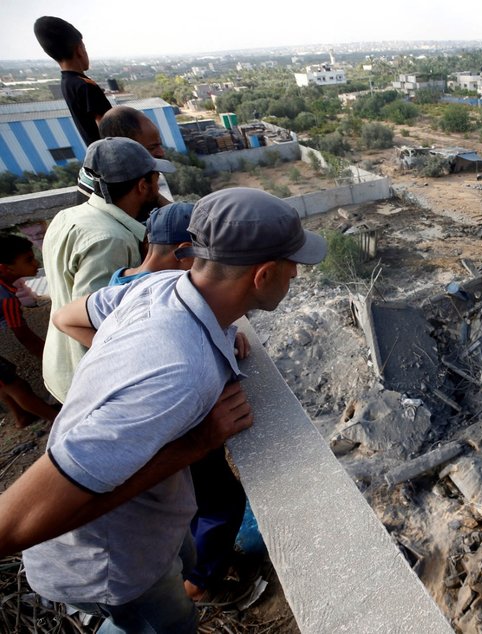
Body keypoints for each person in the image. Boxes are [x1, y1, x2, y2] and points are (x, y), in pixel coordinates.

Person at [0, 188, 326, 632]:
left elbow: (68, 316)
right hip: (111, 566)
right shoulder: (175, 374)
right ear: (263, 275)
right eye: (292, 266)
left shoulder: (159, 286)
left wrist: (208, 336)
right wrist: (196, 442)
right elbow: (12, 526)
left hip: (150, 530)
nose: (294, 273)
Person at [107, 201, 249, 601]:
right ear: (184, 252)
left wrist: (227, 330)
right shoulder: (157, 297)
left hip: (168, 432)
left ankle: (190, 566)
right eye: (206, 260)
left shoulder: (119, 284)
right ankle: (199, 583)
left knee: (189, 502)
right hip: (181, 428)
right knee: (220, 502)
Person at [41, 137, 174, 403]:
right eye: (155, 179)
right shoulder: (110, 241)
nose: (158, 186)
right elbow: (97, 319)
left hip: (60, 362)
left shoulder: (70, 216)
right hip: (91, 381)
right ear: (141, 185)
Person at [0, 233, 59, 427]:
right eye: (28, 259)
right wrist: (49, 357)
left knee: (5, 383)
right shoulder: (6, 298)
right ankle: (56, 419)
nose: (35, 263)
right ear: (5, 268)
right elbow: (24, 336)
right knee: (17, 385)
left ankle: (22, 417)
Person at [33, 16, 111, 147]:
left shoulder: (66, 83)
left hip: (97, 153)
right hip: (112, 153)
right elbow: (108, 126)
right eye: (85, 49)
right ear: (79, 50)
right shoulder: (86, 85)